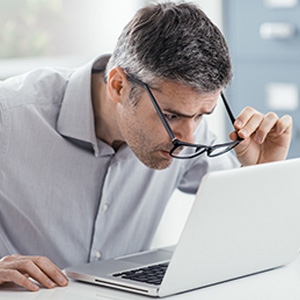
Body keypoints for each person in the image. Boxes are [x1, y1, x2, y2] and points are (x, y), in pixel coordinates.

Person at [0, 2, 292, 292]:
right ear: (118, 86)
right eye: (170, 116)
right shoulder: (10, 115)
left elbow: (248, 236)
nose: (189, 139)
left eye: (202, 115)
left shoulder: (184, 134)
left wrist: (262, 170)